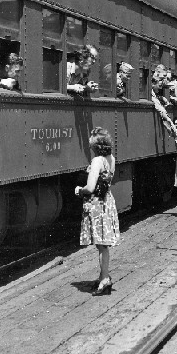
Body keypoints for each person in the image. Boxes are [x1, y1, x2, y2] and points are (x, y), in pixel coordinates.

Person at [75, 127, 120, 296]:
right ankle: (103, 276)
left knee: (101, 246)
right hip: (107, 202)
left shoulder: (97, 161)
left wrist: (80, 190)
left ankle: (104, 279)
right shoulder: (111, 159)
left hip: (96, 204)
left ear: (96, 146)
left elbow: (90, 187)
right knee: (103, 244)